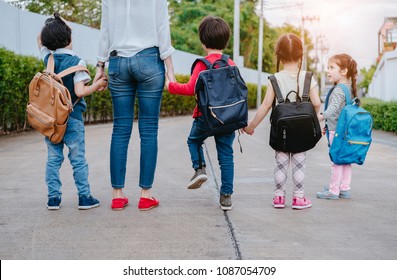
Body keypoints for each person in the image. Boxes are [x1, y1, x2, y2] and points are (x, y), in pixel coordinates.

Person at [94, 0, 176, 211]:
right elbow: (162, 29)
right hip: (149, 60)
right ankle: (145, 195)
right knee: (148, 130)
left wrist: (99, 66)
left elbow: (105, 30)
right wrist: (170, 72)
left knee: (120, 130)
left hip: (118, 62)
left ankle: (117, 195)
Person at [242, 33, 321, 210]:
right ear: (301, 55)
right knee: (299, 164)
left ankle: (278, 198)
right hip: (302, 132)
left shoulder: (274, 79)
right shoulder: (308, 77)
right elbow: (316, 103)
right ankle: (298, 199)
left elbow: (265, 106)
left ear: (279, 55)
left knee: (281, 163)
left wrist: (250, 126)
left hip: (282, 131)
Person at [165, 16, 236, 211]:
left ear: (203, 42)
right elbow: (238, 93)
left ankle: (199, 169)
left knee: (194, 141)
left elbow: (190, 88)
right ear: (226, 40)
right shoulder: (231, 63)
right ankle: (226, 196)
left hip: (204, 117)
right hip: (227, 118)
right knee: (226, 156)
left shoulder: (201, 64)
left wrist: (170, 85)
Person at [38, 13, 108, 210]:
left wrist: (55, 25)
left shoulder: (48, 58)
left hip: (52, 121)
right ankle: (84, 197)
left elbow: (40, 39)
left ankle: (53, 198)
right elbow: (80, 91)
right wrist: (98, 84)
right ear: (69, 38)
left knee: (53, 159)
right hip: (73, 119)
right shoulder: (78, 62)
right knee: (78, 159)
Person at [316, 54, 358, 200]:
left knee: (336, 162)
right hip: (346, 132)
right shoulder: (348, 88)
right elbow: (342, 111)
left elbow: (333, 108)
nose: (328, 71)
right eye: (328, 67)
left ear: (344, 71)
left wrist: (321, 117)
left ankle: (333, 190)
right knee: (345, 160)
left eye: (332, 68)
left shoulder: (338, 90)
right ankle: (344, 188)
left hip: (338, 133)